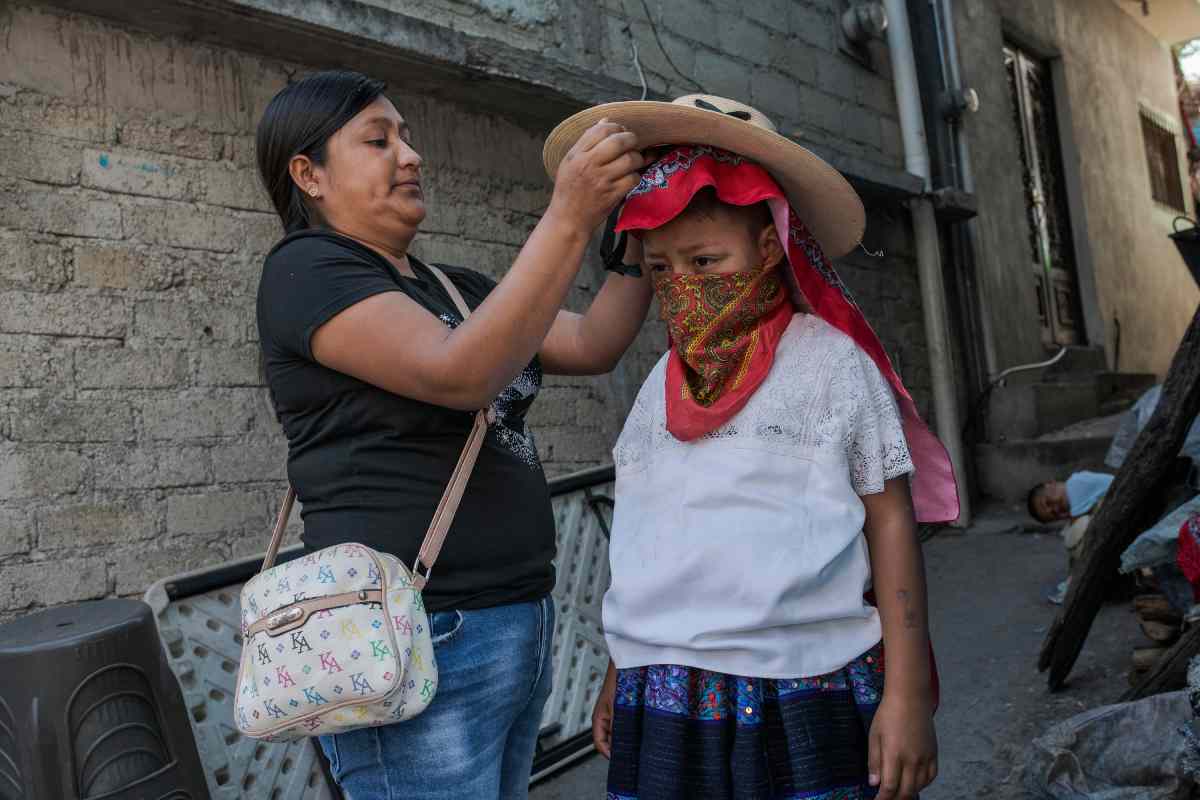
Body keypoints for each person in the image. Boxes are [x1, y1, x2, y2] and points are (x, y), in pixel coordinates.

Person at [541, 96, 960, 800]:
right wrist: (622, 664)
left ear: (769, 248)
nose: (685, 287)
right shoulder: (655, 392)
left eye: (707, 261)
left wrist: (908, 693)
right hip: (665, 695)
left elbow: (890, 521)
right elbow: (650, 544)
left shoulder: (830, 367)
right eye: (663, 270)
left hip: (805, 683)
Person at [254, 70, 652, 799]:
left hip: (515, 619)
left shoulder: (453, 287)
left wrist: (634, 237)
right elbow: (459, 372)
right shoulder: (305, 271)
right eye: (378, 140)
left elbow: (594, 342)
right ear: (309, 175)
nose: (410, 155)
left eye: (406, 137)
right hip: (418, 638)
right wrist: (569, 214)